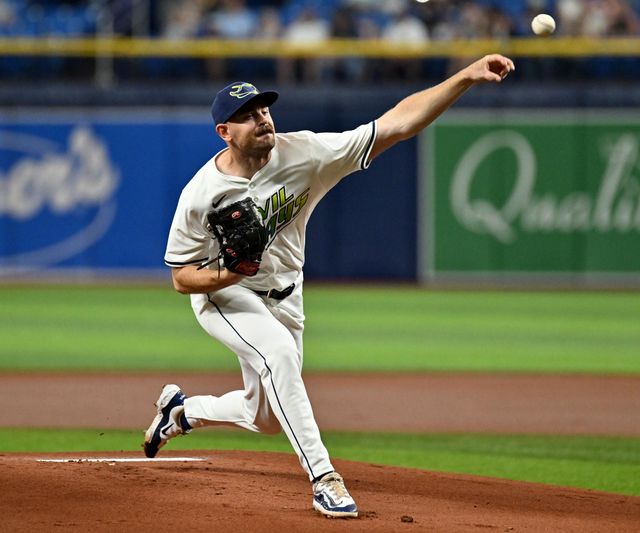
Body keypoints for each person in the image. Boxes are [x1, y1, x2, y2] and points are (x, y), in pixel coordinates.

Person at [144, 53, 515, 519]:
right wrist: (231, 274)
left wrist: (463, 77)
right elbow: (181, 279)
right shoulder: (201, 194)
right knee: (277, 354)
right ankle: (325, 478)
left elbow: (394, 126)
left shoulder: (305, 153)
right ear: (225, 133)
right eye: (248, 116)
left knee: (265, 419)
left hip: (286, 294)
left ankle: (181, 411)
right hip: (224, 296)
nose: (262, 120)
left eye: (263, 110)